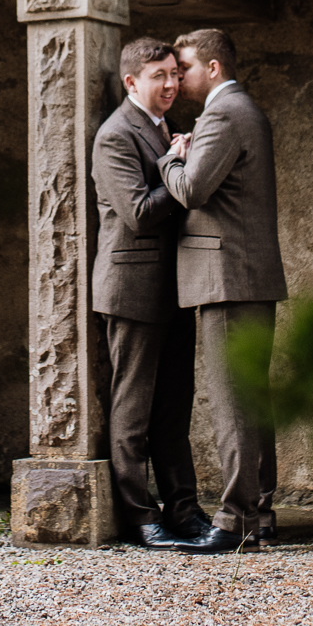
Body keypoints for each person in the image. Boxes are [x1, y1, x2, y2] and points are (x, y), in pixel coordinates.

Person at [90, 36, 224, 553]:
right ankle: (141, 519)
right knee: (133, 411)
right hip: (130, 288)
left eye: (174, 74)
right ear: (131, 82)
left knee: (174, 407)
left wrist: (174, 154)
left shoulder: (161, 127)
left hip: (173, 288)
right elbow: (140, 212)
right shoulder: (115, 135)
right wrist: (176, 165)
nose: (171, 84)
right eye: (158, 77)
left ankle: (185, 510)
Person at [161, 27, 286, 552]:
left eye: (184, 67)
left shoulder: (223, 113)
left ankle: (235, 523)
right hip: (246, 275)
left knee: (234, 404)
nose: (178, 77)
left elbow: (191, 190)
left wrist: (172, 157)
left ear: (212, 68)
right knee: (251, 401)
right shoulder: (243, 110)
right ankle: (260, 514)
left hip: (226, 277)